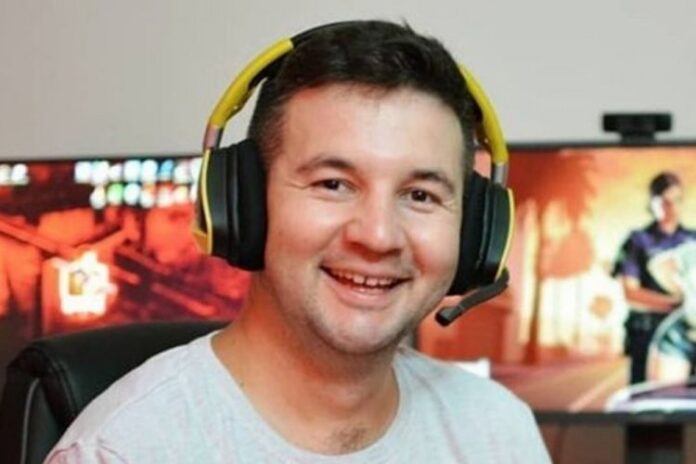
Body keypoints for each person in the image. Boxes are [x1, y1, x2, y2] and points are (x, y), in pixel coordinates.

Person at [46, 21, 550, 463]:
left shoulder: (498, 434)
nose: (377, 236)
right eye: (333, 184)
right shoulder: (123, 451)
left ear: (476, 232)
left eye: (420, 195)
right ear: (244, 206)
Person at [613, 171, 696, 384]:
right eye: (665, 201)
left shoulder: (692, 240)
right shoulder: (637, 241)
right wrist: (678, 304)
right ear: (652, 202)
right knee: (647, 400)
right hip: (647, 333)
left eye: (677, 200)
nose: (671, 207)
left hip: (690, 335)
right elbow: (631, 293)